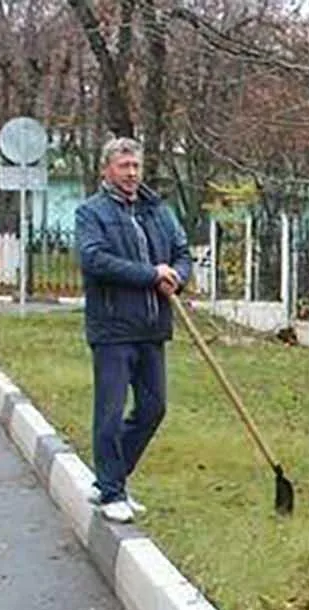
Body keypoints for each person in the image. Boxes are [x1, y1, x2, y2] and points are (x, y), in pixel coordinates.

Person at [74, 136, 192, 524]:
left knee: (153, 408)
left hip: (152, 326)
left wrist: (177, 277)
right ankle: (111, 492)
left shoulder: (157, 210)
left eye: (136, 166)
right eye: (124, 167)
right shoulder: (91, 213)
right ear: (106, 169)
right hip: (112, 328)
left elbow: (180, 253)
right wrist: (149, 274)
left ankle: (111, 478)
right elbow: (93, 260)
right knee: (109, 412)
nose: (131, 174)